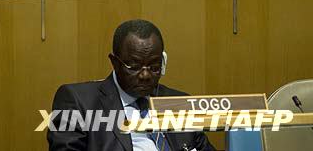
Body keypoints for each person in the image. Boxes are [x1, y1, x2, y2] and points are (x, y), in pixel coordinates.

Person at [47, 19, 215, 151]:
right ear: (114, 62)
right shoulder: (78, 102)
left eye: (154, 67)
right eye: (134, 67)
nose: (145, 75)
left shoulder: (179, 103)